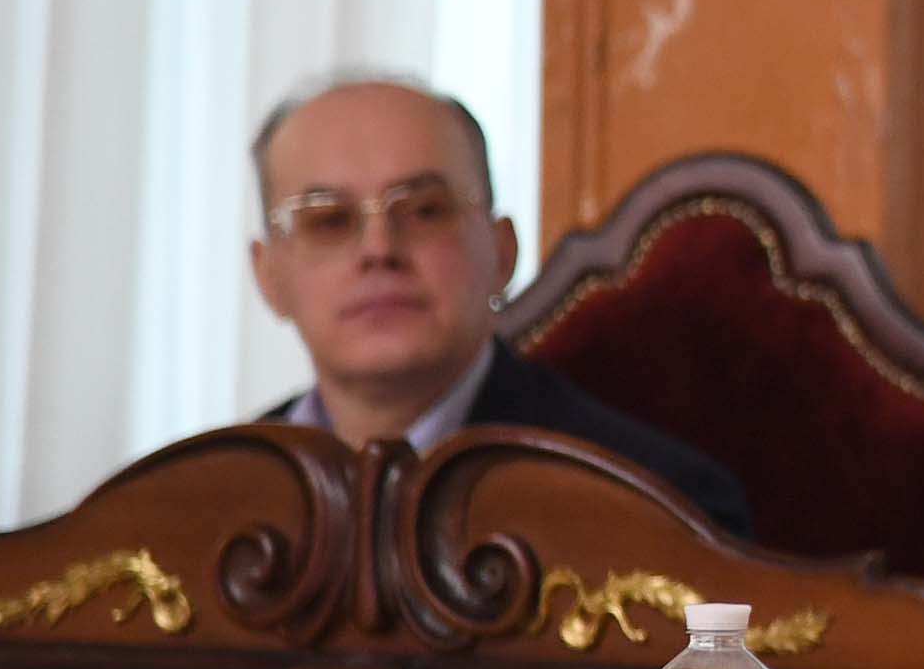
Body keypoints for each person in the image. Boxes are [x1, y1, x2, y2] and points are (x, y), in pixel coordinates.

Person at [248, 74, 754, 540]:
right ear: (267, 274)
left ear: (502, 252)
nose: (379, 250)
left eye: (425, 210)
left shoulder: (656, 506)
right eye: (328, 219)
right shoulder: (213, 498)